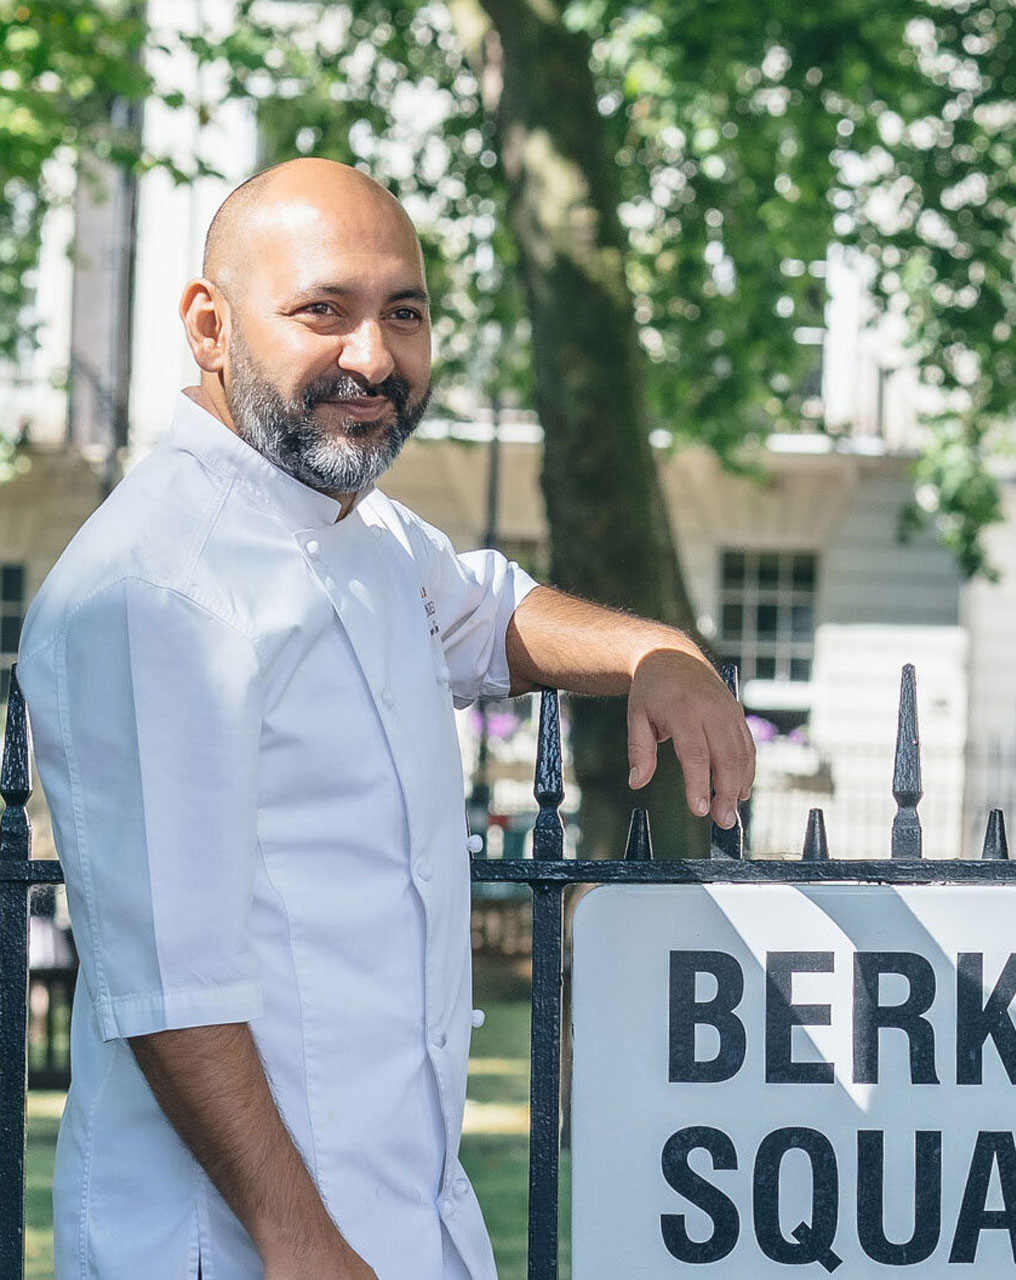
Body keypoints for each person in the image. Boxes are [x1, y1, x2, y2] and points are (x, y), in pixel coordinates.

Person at [14, 158, 755, 1279]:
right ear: (209, 328)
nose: (374, 357)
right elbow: (174, 989)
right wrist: (303, 1244)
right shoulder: (153, 591)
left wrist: (659, 654)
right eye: (325, 310)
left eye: (403, 314)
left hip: (412, 1227)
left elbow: (493, 613)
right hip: (233, 1248)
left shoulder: (361, 531)